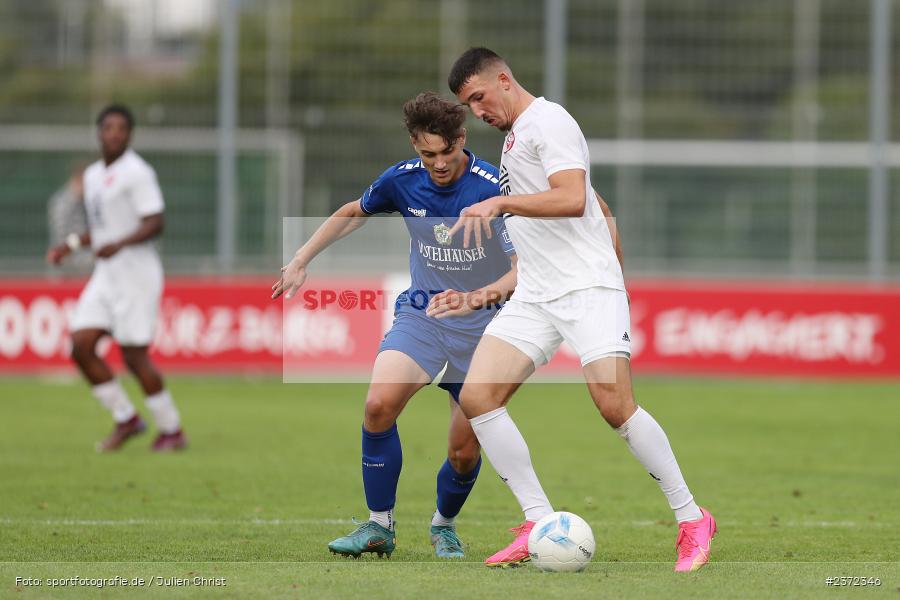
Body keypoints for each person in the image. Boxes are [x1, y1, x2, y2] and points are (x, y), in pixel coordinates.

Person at [445, 47, 716, 572]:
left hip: (587, 288)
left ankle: (691, 518)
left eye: (478, 97)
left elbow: (570, 197)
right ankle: (537, 522)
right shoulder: (516, 138)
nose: (477, 111)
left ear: (504, 78)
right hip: (537, 293)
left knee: (614, 404)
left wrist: (501, 204)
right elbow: (597, 202)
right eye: (468, 104)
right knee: (478, 397)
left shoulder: (549, 121)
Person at [272, 92, 518, 559]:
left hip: (485, 328)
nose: (439, 164)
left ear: (462, 139)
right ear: (414, 145)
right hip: (422, 316)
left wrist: (474, 298)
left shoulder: (491, 189)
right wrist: (301, 259)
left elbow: (521, 269)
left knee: (463, 453)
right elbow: (351, 213)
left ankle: (443, 526)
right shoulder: (402, 181)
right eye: (428, 154)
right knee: (378, 405)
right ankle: (379, 525)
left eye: (447, 152)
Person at [46, 104, 187, 453]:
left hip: (137, 275)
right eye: (108, 127)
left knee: (133, 356)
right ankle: (126, 418)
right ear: (99, 132)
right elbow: (103, 227)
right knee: (80, 346)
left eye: (121, 128)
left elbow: (155, 221)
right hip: (106, 274)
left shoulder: (137, 173)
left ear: (130, 134)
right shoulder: (94, 175)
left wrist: (119, 244)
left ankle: (171, 429)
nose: (114, 133)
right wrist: (72, 243)